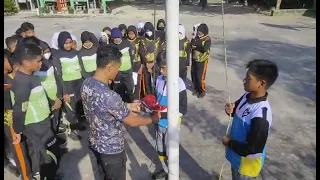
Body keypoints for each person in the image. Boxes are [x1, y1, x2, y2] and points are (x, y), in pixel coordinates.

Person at [80, 44, 161, 180]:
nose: (118, 72)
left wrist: (128, 106)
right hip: (112, 152)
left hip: (95, 145)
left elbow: (102, 106)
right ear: (110, 67)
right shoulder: (109, 95)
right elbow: (132, 121)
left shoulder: (87, 84)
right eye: (118, 68)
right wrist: (153, 119)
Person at [11, 43, 62, 179]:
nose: (41, 63)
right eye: (38, 61)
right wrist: (17, 130)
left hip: (43, 121)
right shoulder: (22, 84)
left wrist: (52, 103)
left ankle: (52, 173)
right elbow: (19, 110)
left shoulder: (33, 76)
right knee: (43, 155)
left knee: (51, 152)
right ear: (27, 63)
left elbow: (40, 94)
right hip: (35, 126)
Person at [223, 59, 279, 180]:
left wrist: (229, 143)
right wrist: (230, 109)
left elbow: (253, 149)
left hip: (246, 167)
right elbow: (237, 110)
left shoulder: (261, 116)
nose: (244, 81)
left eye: (248, 79)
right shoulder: (247, 96)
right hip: (236, 156)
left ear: (261, 83)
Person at [151, 50, 188, 179]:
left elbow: (183, 109)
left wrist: (164, 115)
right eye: (159, 68)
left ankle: (173, 173)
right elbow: (156, 99)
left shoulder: (179, 84)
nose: (161, 71)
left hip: (170, 126)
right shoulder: (159, 80)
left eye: (164, 68)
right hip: (158, 123)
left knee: (171, 151)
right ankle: (165, 169)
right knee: (160, 149)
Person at [52, 31, 83, 140]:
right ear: (60, 43)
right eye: (66, 43)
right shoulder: (57, 56)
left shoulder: (76, 53)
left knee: (78, 106)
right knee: (70, 109)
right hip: (67, 86)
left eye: (70, 42)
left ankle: (77, 125)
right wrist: (64, 92)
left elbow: (81, 69)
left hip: (78, 84)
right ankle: (72, 130)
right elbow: (58, 76)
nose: (68, 45)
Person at [110, 27, 135, 103]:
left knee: (131, 89)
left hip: (128, 71)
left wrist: (130, 67)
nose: (116, 39)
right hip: (117, 73)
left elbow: (132, 56)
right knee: (119, 92)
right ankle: (122, 108)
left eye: (118, 37)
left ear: (120, 36)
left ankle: (132, 104)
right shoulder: (111, 46)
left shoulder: (127, 43)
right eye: (114, 38)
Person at [139, 22, 162, 95]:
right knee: (147, 82)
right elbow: (141, 52)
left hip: (155, 64)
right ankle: (149, 96)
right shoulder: (142, 40)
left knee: (156, 81)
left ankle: (157, 96)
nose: (148, 32)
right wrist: (146, 64)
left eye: (150, 30)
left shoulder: (157, 39)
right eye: (147, 30)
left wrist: (153, 63)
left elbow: (159, 51)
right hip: (146, 65)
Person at [191, 23, 211, 99]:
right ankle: (196, 88)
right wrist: (193, 38)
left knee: (200, 76)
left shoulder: (207, 39)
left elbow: (205, 49)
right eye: (198, 31)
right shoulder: (196, 37)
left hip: (202, 60)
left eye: (201, 31)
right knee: (194, 74)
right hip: (194, 59)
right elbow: (191, 44)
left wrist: (196, 46)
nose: (199, 32)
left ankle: (202, 90)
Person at [127, 25, 144, 100]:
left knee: (137, 83)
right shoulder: (125, 41)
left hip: (137, 64)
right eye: (129, 33)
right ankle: (129, 99)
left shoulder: (139, 41)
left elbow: (142, 53)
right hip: (128, 65)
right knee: (129, 83)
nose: (131, 35)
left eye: (132, 33)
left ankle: (136, 99)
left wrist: (141, 66)